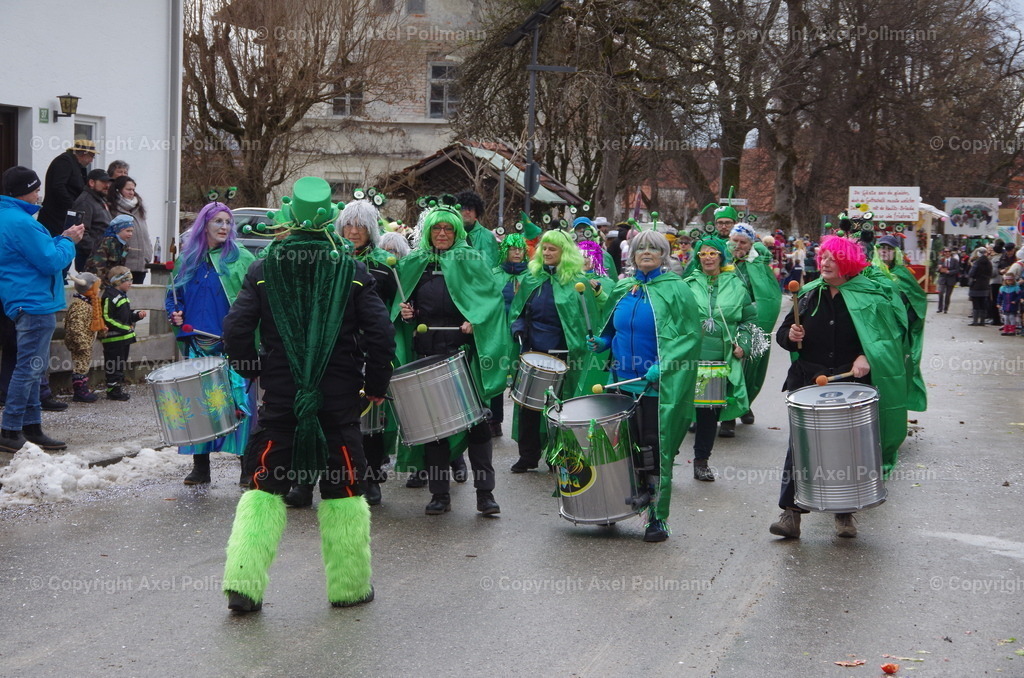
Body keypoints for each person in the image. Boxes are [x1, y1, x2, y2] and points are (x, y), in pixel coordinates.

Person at [221, 176, 395, 613]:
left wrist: (252, 371)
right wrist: (375, 386)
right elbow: (381, 334)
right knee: (344, 485)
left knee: (264, 484)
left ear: (291, 218)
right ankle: (350, 587)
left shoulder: (265, 267)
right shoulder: (351, 269)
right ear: (329, 223)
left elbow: (236, 329)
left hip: (281, 395)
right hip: (338, 399)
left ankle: (243, 585)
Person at [769, 236, 908, 539]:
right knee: (800, 448)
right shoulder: (807, 295)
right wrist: (791, 336)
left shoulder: (869, 296)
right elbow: (781, 337)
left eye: (833, 257)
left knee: (849, 451)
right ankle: (791, 514)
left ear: (848, 262)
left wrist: (867, 355)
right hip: (809, 383)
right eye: (823, 257)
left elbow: (888, 337)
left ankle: (845, 514)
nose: (825, 262)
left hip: (850, 384)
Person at [394, 200, 511, 515]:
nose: (442, 233)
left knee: (478, 426)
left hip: (462, 355)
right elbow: (402, 309)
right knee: (434, 430)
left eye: (448, 228)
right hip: (428, 354)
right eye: (437, 229)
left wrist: (476, 320)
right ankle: (439, 495)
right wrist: (406, 314)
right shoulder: (414, 263)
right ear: (428, 232)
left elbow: (490, 301)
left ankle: (485, 495)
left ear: (457, 231)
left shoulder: (470, 259)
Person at [283, 199, 398, 509]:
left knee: (366, 425)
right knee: (312, 419)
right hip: (323, 355)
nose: (353, 231)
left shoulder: (384, 265)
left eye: (360, 225)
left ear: (371, 230)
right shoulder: (324, 259)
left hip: (363, 353)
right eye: (348, 224)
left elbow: (392, 312)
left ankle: (368, 479)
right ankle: (304, 482)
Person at [587, 230, 701, 541]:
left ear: (664, 255)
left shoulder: (676, 290)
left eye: (654, 248)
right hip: (620, 384)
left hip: (654, 388)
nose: (646, 252)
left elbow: (690, 336)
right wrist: (601, 342)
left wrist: (664, 365)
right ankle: (613, 505)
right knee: (619, 449)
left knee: (653, 450)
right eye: (641, 248)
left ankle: (656, 517)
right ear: (632, 254)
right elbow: (611, 331)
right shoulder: (625, 288)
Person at [165, 202, 256, 484]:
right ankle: (200, 467)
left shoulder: (240, 258)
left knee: (239, 404)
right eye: (218, 221)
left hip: (232, 345)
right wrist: (174, 313)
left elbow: (256, 297)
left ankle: (246, 468)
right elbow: (172, 295)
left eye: (228, 222)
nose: (224, 227)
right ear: (204, 224)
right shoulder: (187, 259)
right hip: (196, 344)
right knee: (198, 405)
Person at [0, 166, 84, 453]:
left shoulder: (8, 217)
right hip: (34, 302)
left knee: (33, 368)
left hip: (20, 299)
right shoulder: (22, 222)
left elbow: (37, 252)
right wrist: (69, 241)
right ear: (26, 190)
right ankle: (10, 429)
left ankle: (31, 427)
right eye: (36, 189)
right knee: (28, 369)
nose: (39, 195)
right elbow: (50, 261)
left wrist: (58, 239)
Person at [508, 229, 606, 472]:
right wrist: (518, 329)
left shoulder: (576, 283)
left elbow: (587, 319)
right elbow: (519, 312)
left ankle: (558, 455)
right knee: (528, 407)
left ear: (565, 253)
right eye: (545, 248)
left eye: (553, 249)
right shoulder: (532, 279)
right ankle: (528, 456)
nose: (548, 252)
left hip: (563, 353)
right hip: (533, 353)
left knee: (560, 407)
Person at [683, 236, 760, 473]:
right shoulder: (687, 284)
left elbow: (749, 321)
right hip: (686, 360)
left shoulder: (736, 284)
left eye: (712, 253)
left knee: (707, 416)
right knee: (679, 413)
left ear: (721, 256)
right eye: (703, 254)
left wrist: (744, 345)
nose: (707, 258)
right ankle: (665, 464)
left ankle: (701, 462)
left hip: (716, 362)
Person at [728, 223, 781, 429]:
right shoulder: (719, 259)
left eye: (744, 242)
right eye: (736, 241)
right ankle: (724, 413)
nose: (739, 246)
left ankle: (744, 404)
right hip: (725, 320)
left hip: (750, 321)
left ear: (751, 244)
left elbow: (768, 294)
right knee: (727, 367)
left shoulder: (757, 264)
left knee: (750, 366)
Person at [874, 235, 927, 413]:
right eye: (881, 248)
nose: (884, 251)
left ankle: (895, 409)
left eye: (888, 248)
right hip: (875, 330)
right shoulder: (869, 271)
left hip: (897, 332)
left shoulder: (904, 274)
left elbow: (918, 299)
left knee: (896, 370)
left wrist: (906, 321)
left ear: (895, 252)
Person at [490, 227, 529, 438]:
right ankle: (494, 419)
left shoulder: (532, 276)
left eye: (520, 249)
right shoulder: (495, 274)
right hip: (498, 331)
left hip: (522, 333)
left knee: (522, 376)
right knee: (496, 374)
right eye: (512, 249)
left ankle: (525, 425)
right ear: (505, 251)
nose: (516, 253)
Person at [100, 266, 146, 401]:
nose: (130, 283)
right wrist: (124, 328)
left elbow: (126, 316)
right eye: (128, 280)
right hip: (114, 338)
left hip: (124, 338)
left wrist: (136, 315)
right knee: (113, 363)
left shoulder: (123, 297)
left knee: (120, 363)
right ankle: (112, 389)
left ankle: (117, 387)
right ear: (118, 281)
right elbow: (107, 317)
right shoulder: (109, 296)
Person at [36, 139, 96, 237]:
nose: (91, 160)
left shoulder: (74, 164)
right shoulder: (65, 161)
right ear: (84, 154)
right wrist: (73, 207)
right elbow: (58, 187)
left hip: (62, 216)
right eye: (91, 156)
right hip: (55, 217)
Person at [64, 272, 104, 403]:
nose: (99, 290)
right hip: (80, 342)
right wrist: (82, 343)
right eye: (97, 288)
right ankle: (80, 392)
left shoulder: (87, 303)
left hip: (85, 340)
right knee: (80, 365)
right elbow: (75, 326)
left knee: (84, 365)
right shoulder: (79, 305)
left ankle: (82, 389)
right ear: (89, 289)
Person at [108, 175, 152, 283]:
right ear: (118, 191)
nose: (132, 192)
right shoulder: (113, 210)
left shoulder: (139, 209)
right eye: (128, 189)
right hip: (123, 266)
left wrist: (148, 252)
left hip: (141, 265)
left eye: (133, 189)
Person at [70, 168, 113, 273]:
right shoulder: (85, 202)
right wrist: (98, 253)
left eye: (108, 182)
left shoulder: (99, 199)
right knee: (91, 289)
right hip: (91, 262)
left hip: (100, 260)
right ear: (91, 182)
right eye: (103, 182)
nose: (107, 185)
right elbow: (81, 233)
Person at [455, 189, 499, 264]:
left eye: (471, 208)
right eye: (463, 208)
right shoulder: (450, 233)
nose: (467, 212)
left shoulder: (487, 236)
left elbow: (492, 264)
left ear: (477, 212)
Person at [86, 214, 133, 283]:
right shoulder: (107, 242)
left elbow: (120, 266)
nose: (130, 234)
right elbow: (98, 265)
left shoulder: (124, 245)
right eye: (128, 231)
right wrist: (101, 283)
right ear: (118, 230)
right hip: (97, 281)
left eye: (132, 231)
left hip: (112, 281)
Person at [967, 247, 993, 326]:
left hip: (976, 285)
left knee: (976, 303)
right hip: (985, 285)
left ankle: (975, 321)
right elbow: (991, 274)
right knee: (983, 303)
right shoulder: (989, 263)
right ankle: (982, 321)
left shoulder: (977, 263)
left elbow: (971, 273)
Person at [935, 246, 960, 313]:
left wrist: (949, 272)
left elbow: (957, 270)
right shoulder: (941, 260)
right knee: (941, 293)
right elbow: (937, 270)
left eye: (948, 252)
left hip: (951, 279)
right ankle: (940, 308)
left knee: (948, 295)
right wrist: (939, 268)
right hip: (943, 278)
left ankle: (946, 308)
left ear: (950, 253)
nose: (947, 253)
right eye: (946, 252)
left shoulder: (954, 261)